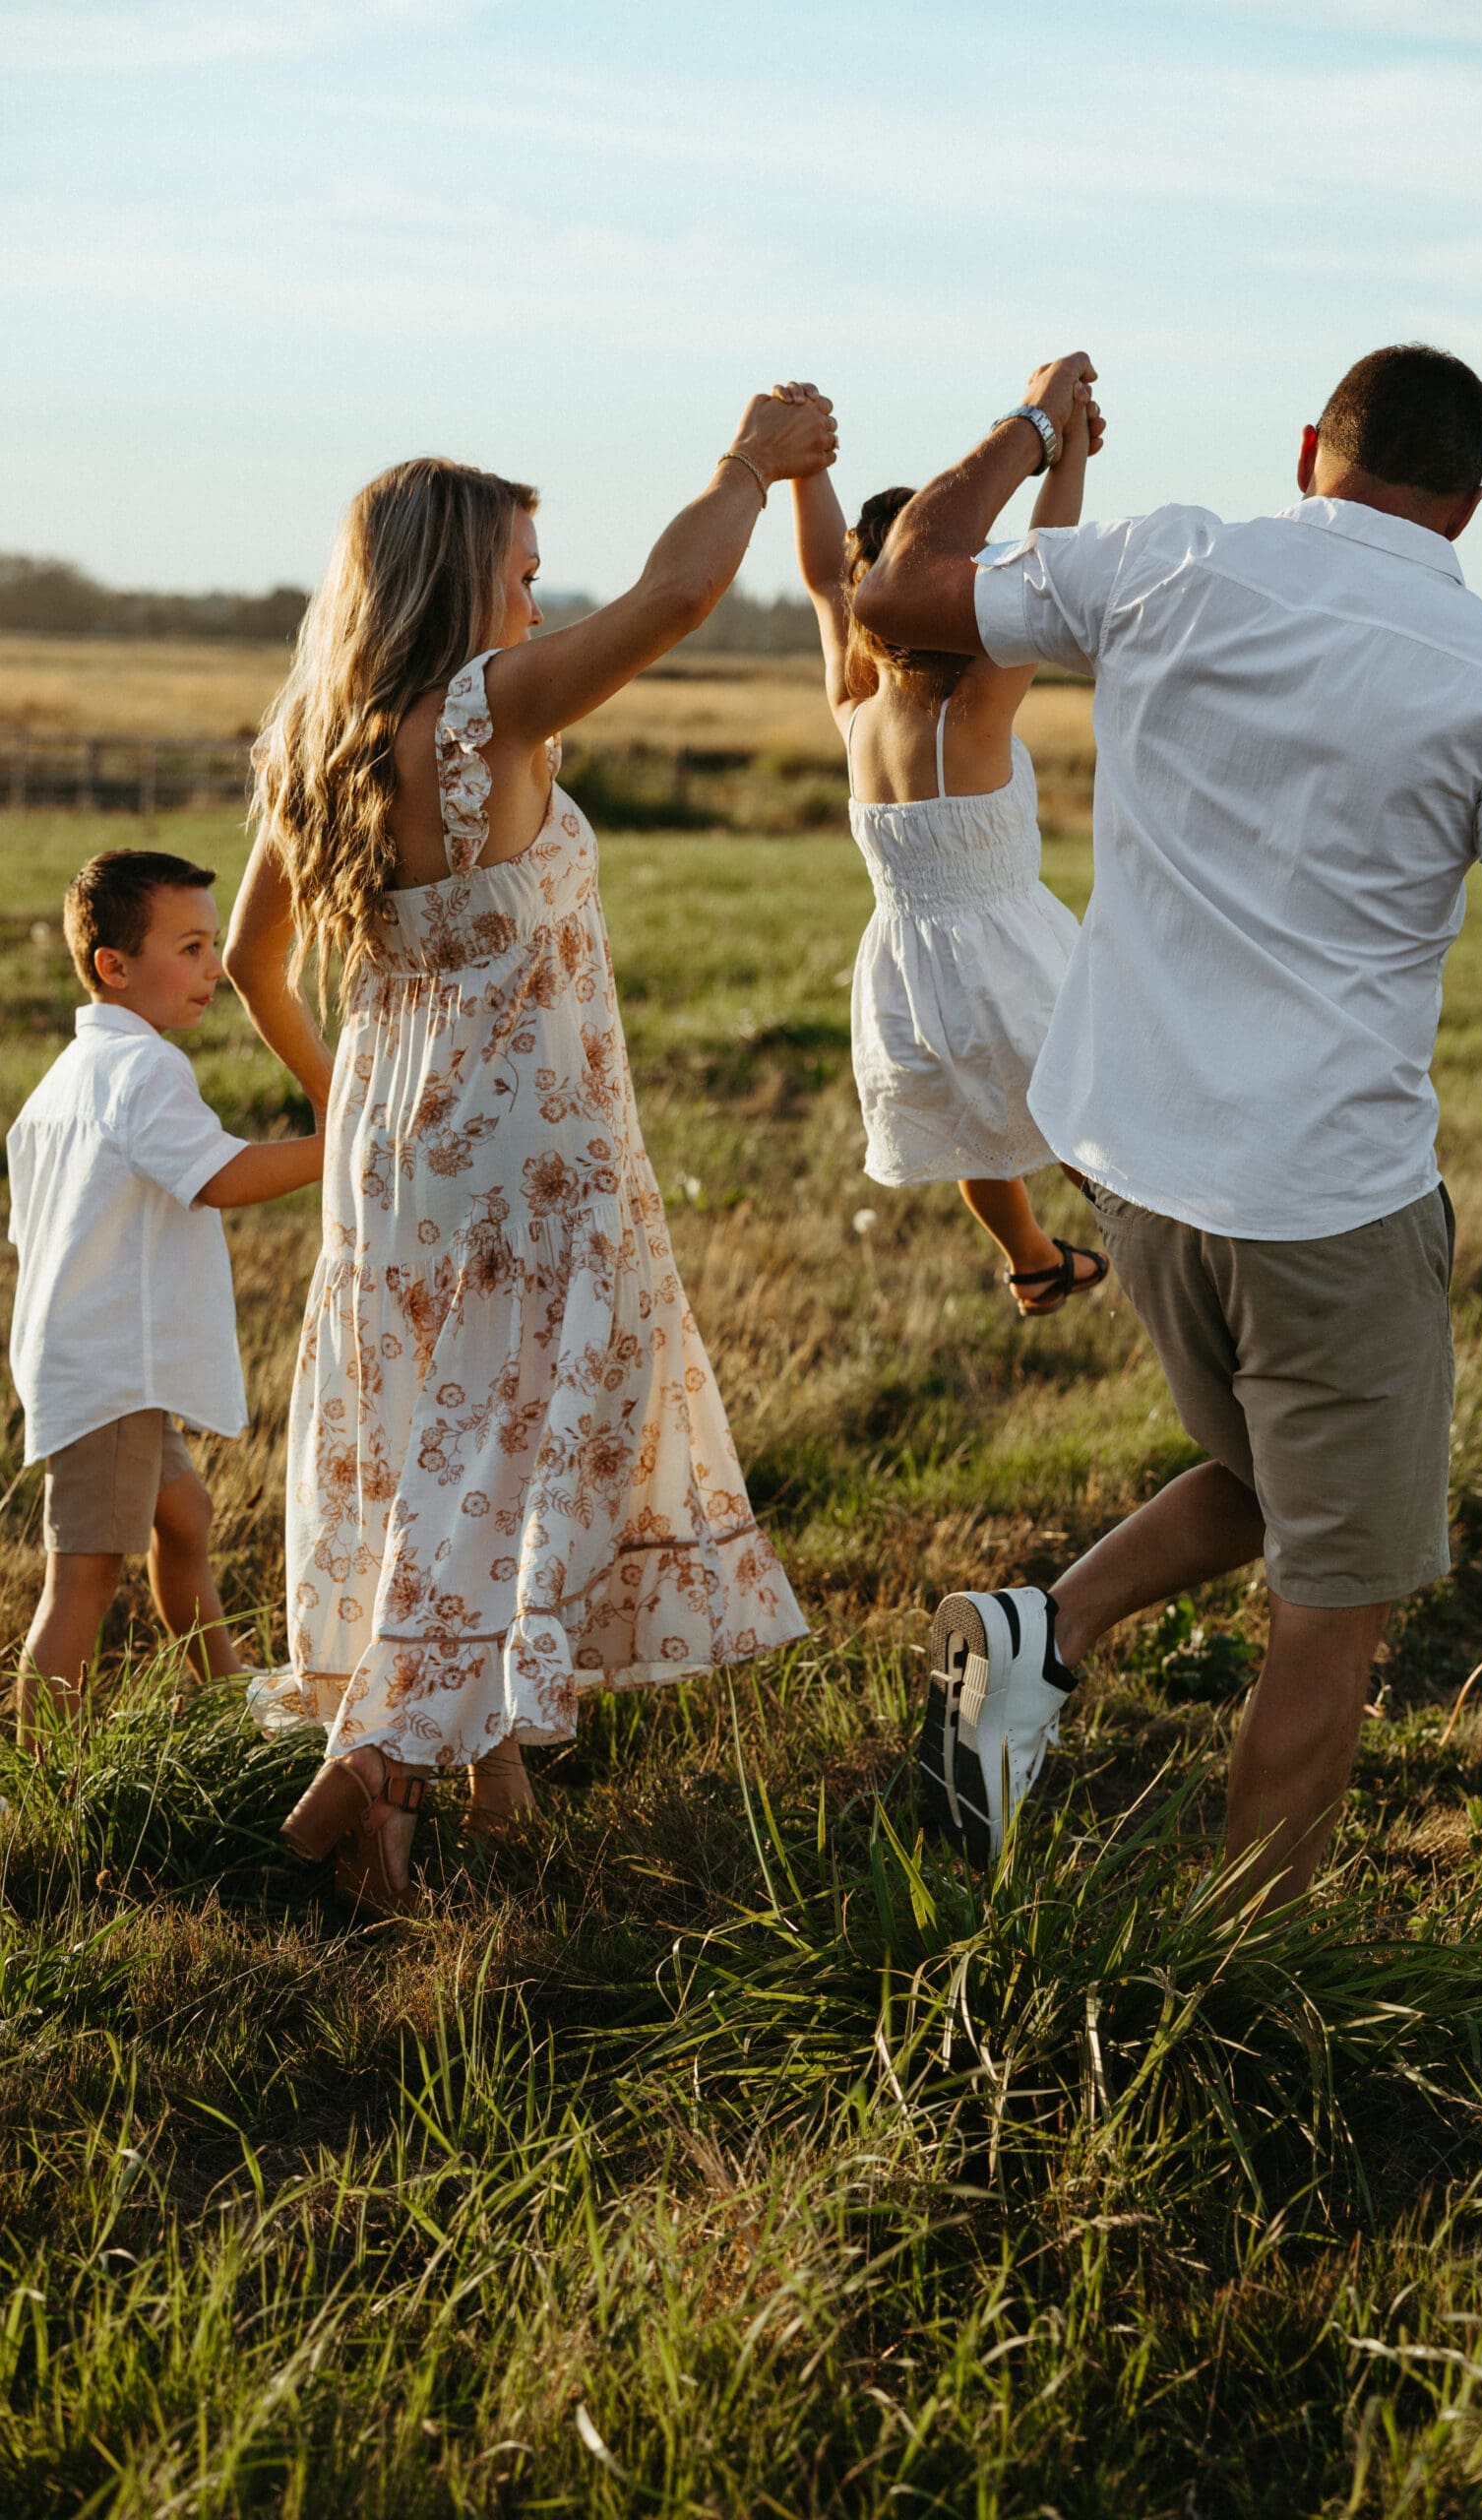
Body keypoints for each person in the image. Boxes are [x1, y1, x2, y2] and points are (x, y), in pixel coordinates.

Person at [855, 343, 1482, 1906]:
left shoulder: (1168, 560)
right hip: (1323, 1198)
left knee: (1276, 1476)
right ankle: (1246, 1971)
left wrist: (1031, 429)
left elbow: (899, 595)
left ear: (1312, 449)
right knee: (1335, 1592)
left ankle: (1039, 1635)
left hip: (1134, 1165)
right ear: (1469, 507)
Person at [227, 395, 834, 1915]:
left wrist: (354, 1104)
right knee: (519, 1446)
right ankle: (375, 1760)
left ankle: (463, 1804)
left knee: (435, 1430)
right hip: (530, 1152)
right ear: (457, 585)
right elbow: (679, 597)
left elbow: (251, 959)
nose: (539, 597)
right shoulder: (484, 709)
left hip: (392, 1143)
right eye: (520, 572)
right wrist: (746, 467)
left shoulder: (320, 735)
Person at [785, 381, 1109, 1317]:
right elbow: (1051, 563)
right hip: (1012, 956)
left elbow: (817, 577)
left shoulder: (855, 715)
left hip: (907, 971)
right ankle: (1145, 1235)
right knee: (1088, 1120)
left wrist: (807, 473)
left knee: (973, 1133)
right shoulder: (972, 711)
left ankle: (1032, 1259)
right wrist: (1068, 453)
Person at [7, 850, 325, 1750]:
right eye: (189, 948)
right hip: (113, 1364)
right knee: (88, 1576)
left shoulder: (59, 1084)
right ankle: (47, 1780)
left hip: (94, 1358)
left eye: (213, 945)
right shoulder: (141, 1070)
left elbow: (35, 1236)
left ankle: (224, 1694)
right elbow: (219, 1175)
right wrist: (338, 1144)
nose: (215, 969)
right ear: (113, 965)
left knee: (186, 1519)